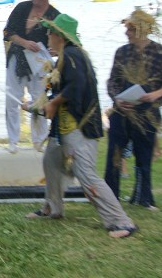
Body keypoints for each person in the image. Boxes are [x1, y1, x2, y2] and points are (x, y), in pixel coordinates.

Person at [24, 14, 137, 239]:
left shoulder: (74, 56)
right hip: (62, 130)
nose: (47, 35)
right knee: (51, 164)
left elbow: (76, 88)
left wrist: (53, 104)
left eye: (50, 32)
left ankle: (121, 221)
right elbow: (60, 91)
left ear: (60, 36)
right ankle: (52, 208)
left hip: (80, 129)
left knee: (87, 175)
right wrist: (37, 106)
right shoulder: (67, 57)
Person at [104, 9, 162, 211]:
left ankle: (144, 197)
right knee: (115, 155)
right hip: (122, 111)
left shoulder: (161, 52)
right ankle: (110, 198)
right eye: (127, 28)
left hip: (147, 112)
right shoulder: (122, 52)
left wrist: (155, 95)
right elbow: (112, 81)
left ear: (142, 30)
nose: (126, 32)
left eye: (130, 28)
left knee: (144, 155)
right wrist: (117, 100)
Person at [3, 0, 59, 153]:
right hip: (17, 58)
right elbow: (7, 32)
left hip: (39, 63)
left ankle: (39, 140)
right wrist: (24, 42)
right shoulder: (22, 7)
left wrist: (54, 51)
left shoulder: (54, 15)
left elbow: (61, 41)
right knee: (12, 99)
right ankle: (13, 141)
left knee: (39, 99)